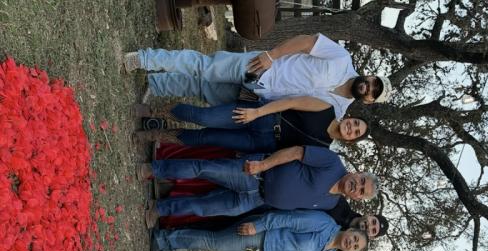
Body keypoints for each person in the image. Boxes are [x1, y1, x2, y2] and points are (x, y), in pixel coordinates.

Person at [123, 33, 392, 118]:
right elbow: (307, 42)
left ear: (370, 101)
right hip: (262, 66)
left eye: (374, 92)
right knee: (205, 67)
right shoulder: (342, 59)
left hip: (260, 96)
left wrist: (259, 112)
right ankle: (144, 59)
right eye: (374, 82)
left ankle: (156, 84)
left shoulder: (338, 111)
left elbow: (295, 106)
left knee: (205, 91)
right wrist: (272, 55)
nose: (369, 87)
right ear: (371, 76)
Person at [137, 145, 380, 225]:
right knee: (204, 168)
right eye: (361, 181)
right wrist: (262, 165)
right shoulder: (332, 162)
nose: (356, 187)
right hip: (255, 174)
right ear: (358, 172)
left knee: (203, 208)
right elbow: (296, 152)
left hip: (254, 201)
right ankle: (154, 170)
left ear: (358, 199)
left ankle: (159, 209)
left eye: (361, 191)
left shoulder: (330, 203)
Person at [151, 210, 369, 251]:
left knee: (216, 246)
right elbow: (288, 219)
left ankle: (169, 241)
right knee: (213, 242)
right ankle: (163, 239)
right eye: (355, 238)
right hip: (261, 236)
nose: (352, 243)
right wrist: (259, 225)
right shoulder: (324, 224)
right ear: (351, 229)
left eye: (355, 247)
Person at [134, 96, 369, 153]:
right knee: (205, 117)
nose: (352, 128)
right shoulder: (326, 108)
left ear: (350, 140)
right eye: (355, 123)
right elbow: (291, 101)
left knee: (206, 138)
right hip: (263, 115)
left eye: (355, 132)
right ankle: (154, 110)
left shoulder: (323, 148)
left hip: (261, 143)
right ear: (350, 117)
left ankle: (155, 135)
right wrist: (257, 112)